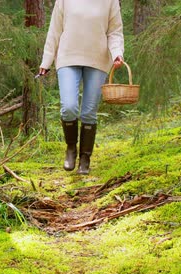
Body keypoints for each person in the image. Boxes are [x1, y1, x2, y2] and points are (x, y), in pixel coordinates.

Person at [38, 0, 125, 175]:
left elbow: (115, 32)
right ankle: (71, 148)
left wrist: (117, 53)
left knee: (88, 112)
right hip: (68, 57)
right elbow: (54, 30)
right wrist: (46, 60)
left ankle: (85, 158)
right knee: (69, 107)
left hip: (98, 60)